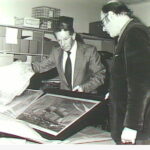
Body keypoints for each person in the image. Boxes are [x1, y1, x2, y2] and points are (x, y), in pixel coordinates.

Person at [101, 0, 150, 145]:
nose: (103, 29)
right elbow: (128, 76)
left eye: (103, 22)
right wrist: (115, 90)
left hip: (137, 130)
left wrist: (132, 125)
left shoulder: (134, 32)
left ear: (111, 15)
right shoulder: (128, 33)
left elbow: (141, 83)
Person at [31, 21, 105, 93]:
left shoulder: (89, 51)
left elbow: (100, 75)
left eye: (66, 39)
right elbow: (41, 66)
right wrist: (24, 67)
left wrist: (84, 88)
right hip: (65, 95)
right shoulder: (56, 51)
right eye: (59, 40)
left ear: (73, 36)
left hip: (86, 95)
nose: (62, 44)